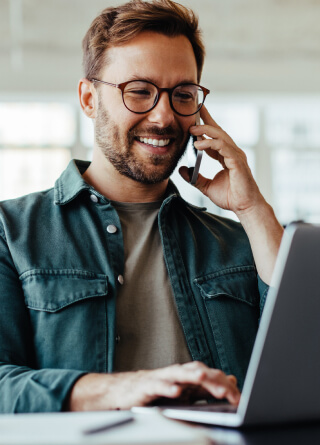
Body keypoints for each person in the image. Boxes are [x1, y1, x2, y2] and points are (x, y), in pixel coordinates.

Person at [0, 0, 283, 413]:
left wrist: (252, 207)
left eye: (182, 94)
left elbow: (302, 360)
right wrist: (119, 389)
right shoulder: (11, 233)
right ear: (89, 99)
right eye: (139, 92)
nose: (164, 116)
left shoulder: (241, 242)